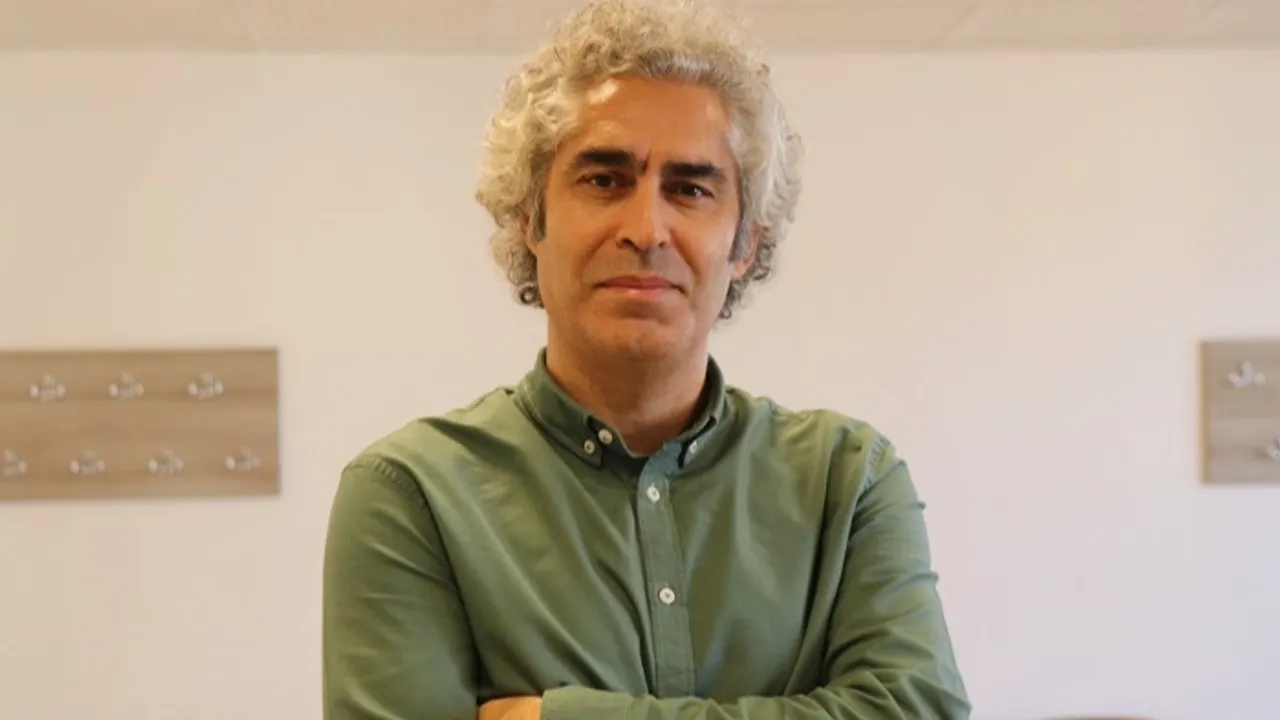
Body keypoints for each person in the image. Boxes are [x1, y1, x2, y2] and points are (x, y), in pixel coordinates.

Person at [321, 0, 971, 718]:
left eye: (690, 189)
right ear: (530, 218)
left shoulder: (848, 485)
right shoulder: (412, 496)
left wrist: (559, 717)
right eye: (604, 180)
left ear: (745, 243)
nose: (646, 229)